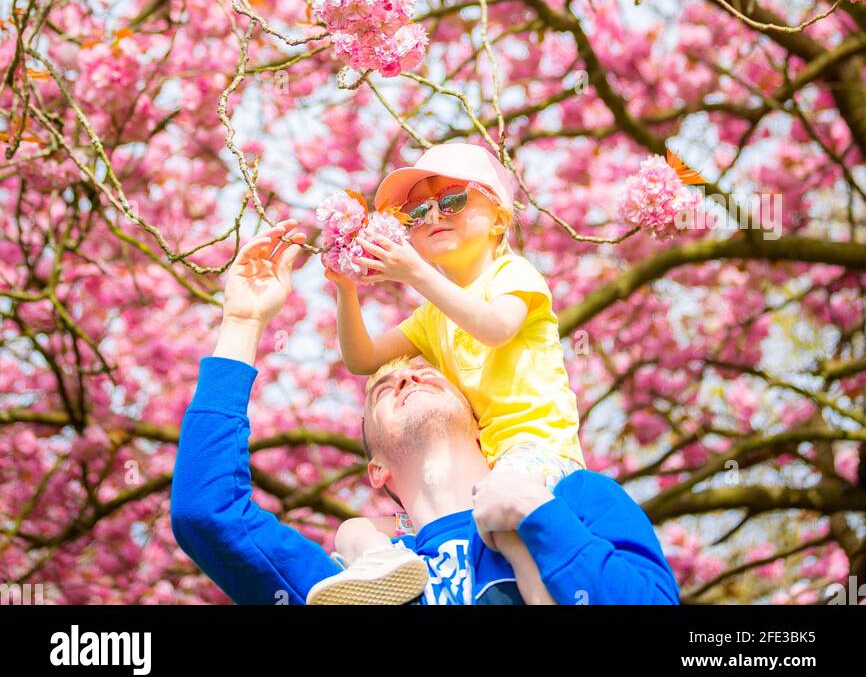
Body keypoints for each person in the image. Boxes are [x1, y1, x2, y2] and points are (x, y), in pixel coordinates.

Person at [170, 220, 681, 607]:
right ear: (377, 470)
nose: (407, 374)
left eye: (427, 372)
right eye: (383, 387)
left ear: (478, 420)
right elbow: (206, 514)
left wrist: (538, 516)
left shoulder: (577, 500)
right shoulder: (350, 588)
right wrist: (241, 321)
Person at [317, 141, 586, 604]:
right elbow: (362, 360)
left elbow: (496, 328)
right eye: (417, 212)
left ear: (499, 218)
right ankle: (383, 564)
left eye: (454, 200)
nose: (434, 215)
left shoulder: (511, 274)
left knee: (502, 510)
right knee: (353, 529)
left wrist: (417, 274)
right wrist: (346, 291)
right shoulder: (432, 316)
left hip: (537, 453)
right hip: (481, 476)